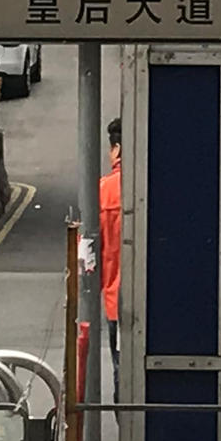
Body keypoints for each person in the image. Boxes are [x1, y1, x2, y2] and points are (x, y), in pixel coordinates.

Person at [97, 116, 124, 380]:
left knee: (122, 373)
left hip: (117, 302)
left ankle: (126, 421)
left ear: (116, 149)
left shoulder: (104, 192)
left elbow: (90, 255)